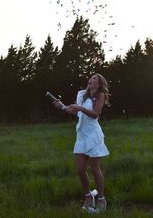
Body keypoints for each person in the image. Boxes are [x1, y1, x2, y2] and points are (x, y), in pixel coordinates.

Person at [52, 73, 110, 213]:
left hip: (93, 135)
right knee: (80, 169)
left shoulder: (100, 96)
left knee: (95, 168)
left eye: (94, 79)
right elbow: (76, 113)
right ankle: (88, 196)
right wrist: (62, 107)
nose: (91, 80)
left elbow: (95, 114)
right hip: (82, 135)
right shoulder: (82, 94)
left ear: (100, 84)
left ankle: (101, 199)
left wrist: (81, 108)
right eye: (90, 78)